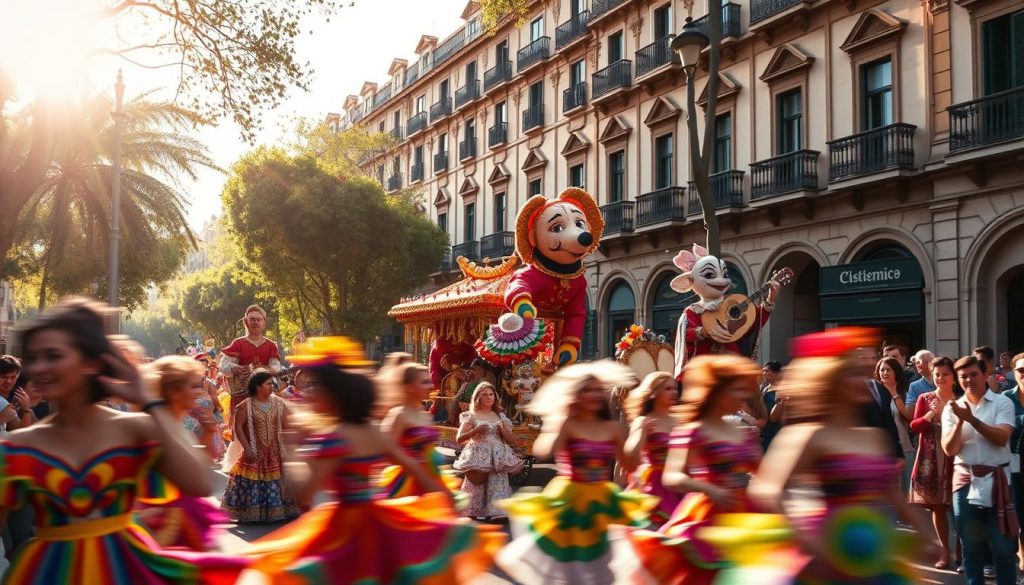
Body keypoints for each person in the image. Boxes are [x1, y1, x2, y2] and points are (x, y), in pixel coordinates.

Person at [0, 298, 245, 585]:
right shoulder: (20, 445)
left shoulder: (134, 428)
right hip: (48, 574)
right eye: (33, 357)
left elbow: (198, 483)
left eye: (53, 356)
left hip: (128, 569)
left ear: (91, 361)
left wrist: (147, 400)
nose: (39, 367)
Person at [240, 336, 504, 584]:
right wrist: (446, 505)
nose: (309, 393)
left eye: (315, 387)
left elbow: (303, 493)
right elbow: (420, 473)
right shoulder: (372, 432)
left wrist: (293, 448)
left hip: (344, 530)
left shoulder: (334, 439)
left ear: (334, 394)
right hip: (379, 524)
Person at [748, 327, 935, 583]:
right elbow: (767, 490)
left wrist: (927, 535)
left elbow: (894, 496)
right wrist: (808, 537)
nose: (864, 379)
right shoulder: (808, 435)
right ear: (830, 379)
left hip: (869, 550)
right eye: (853, 374)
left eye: (863, 373)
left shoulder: (873, 436)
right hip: (821, 554)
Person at [496, 361, 657, 584]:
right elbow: (543, 451)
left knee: (605, 565)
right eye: (587, 389)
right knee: (571, 566)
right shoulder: (568, 424)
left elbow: (630, 465)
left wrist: (641, 435)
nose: (594, 395)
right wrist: (558, 423)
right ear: (576, 394)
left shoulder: (615, 429)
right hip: (570, 500)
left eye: (597, 389)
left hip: (604, 502)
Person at [617, 355, 765, 585]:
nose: (744, 396)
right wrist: (708, 488)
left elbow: (766, 478)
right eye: (738, 389)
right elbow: (669, 474)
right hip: (687, 504)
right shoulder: (691, 430)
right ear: (717, 391)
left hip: (742, 513)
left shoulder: (738, 431)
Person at [135, 356, 229, 552]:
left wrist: (208, 433)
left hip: (183, 518)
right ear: (173, 392)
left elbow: (202, 466)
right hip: (160, 524)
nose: (199, 391)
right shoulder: (153, 426)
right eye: (193, 386)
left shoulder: (182, 423)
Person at [942, 355, 1019, 585]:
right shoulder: (952, 409)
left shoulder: (1002, 403)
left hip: (998, 480)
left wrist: (972, 420)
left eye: (974, 374)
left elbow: (1002, 437)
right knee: (972, 546)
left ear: (986, 375)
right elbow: (949, 449)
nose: (968, 380)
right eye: (963, 376)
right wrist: (958, 422)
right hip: (965, 481)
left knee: (1003, 545)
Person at [221, 370, 299, 523]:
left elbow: (287, 425)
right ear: (257, 386)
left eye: (272, 384)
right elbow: (238, 428)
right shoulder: (244, 406)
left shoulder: (279, 403)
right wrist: (247, 448)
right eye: (268, 384)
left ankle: (279, 511)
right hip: (254, 452)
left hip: (275, 452)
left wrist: (291, 447)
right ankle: (253, 513)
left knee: (279, 480)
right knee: (252, 482)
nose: (272, 387)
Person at [379, 363, 461, 499]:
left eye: (429, 381)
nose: (430, 386)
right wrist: (413, 463)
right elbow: (386, 451)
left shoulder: (425, 415)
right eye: (424, 382)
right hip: (408, 486)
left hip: (432, 479)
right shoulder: (398, 415)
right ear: (409, 387)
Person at [909, 356, 959, 568]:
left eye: (945, 374)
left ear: (953, 377)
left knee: (960, 508)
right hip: (931, 457)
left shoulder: (962, 398)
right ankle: (944, 551)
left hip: (957, 458)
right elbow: (915, 426)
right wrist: (930, 415)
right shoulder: (925, 397)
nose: (940, 378)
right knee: (938, 508)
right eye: (937, 374)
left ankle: (964, 553)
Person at [220, 305, 282, 470]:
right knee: (242, 431)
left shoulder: (270, 345)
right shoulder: (238, 343)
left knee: (267, 429)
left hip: (264, 395)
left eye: (258, 319)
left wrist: (265, 370)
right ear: (246, 322)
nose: (255, 322)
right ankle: (238, 465)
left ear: (264, 323)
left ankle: (266, 463)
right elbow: (224, 365)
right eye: (252, 319)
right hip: (242, 395)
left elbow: (276, 366)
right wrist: (234, 368)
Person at [452, 381, 524, 519]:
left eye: (491, 394)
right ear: (478, 397)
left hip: (498, 456)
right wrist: (476, 430)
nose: (489, 397)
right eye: (484, 394)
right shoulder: (471, 416)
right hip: (478, 456)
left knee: (497, 481)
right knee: (477, 484)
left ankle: (496, 511)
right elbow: (459, 438)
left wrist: (503, 430)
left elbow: (512, 440)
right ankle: (472, 510)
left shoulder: (501, 416)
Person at [622, 371, 681, 527]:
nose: (674, 392)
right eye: (667, 389)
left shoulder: (680, 421)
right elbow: (629, 458)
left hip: (678, 483)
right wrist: (642, 433)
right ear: (654, 393)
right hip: (653, 486)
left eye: (675, 388)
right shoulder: (643, 421)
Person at [875, 357, 915, 491]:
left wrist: (894, 393)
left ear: (896, 372)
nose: (884, 373)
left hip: (905, 447)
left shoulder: (906, 392)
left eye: (888, 369)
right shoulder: (875, 393)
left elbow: (910, 418)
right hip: (883, 450)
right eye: (882, 370)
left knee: (906, 491)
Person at [1004, 352, 1024, 571]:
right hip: (1012, 463)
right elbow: (1003, 423)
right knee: (1014, 514)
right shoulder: (1006, 397)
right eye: (1020, 370)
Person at [761, 361, 784, 450]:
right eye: (763, 371)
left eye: (767, 371)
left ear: (776, 373)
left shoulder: (781, 390)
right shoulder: (765, 387)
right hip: (764, 429)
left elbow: (775, 417)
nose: (764, 373)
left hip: (775, 430)